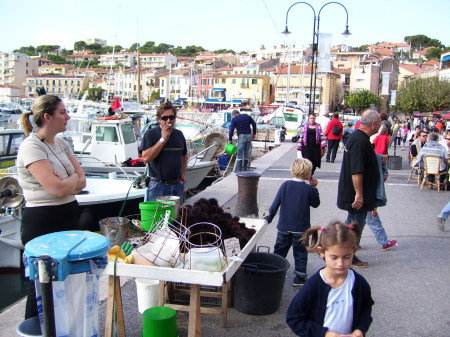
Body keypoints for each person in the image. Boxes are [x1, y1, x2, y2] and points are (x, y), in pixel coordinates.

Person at [17, 94, 86, 319]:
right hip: (42, 221)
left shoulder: (61, 143)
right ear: (47, 117)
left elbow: (82, 181)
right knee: (40, 284)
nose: (68, 116)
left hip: (67, 216)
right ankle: (35, 330)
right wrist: (70, 179)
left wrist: (67, 181)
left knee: (65, 279)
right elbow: (57, 190)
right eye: (62, 112)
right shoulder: (31, 147)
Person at [286, 221, 374, 337]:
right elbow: (294, 318)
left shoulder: (359, 283)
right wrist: (324, 334)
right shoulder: (313, 286)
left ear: (354, 251)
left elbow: (365, 309)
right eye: (334, 257)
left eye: (347, 257)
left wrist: (360, 330)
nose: (340, 263)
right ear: (321, 252)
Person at [264, 158, 320, 286]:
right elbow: (315, 204)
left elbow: (275, 204)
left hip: (284, 227)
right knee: (300, 253)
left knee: (279, 250)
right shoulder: (308, 189)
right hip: (301, 229)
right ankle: (299, 278)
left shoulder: (285, 185)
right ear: (307, 173)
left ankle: (274, 272)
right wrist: (314, 188)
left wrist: (268, 218)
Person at [337, 109, 382, 268]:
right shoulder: (360, 141)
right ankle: (348, 255)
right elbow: (357, 170)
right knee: (355, 225)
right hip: (356, 194)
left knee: (352, 223)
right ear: (374, 124)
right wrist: (359, 194)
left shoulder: (358, 138)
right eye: (379, 124)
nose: (380, 127)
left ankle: (342, 250)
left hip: (355, 192)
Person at [141, 101, 188, 202]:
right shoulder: (150, 134)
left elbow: (184, 156)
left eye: (171, 117)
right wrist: (163, 140)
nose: (168, 121)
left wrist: (183, 174)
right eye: (164, 118)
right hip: (157, 186)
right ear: (158, 119)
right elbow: (145, 158)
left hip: (177, 185)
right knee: (155, 217)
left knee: (176, 216)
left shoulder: (179, 135)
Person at [365, 154, 397, 250]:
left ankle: (353, 242)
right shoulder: (362, 145)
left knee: (358, 220)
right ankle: (384, 242)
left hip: (362, 194)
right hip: (367, 196)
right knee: (372, 219)